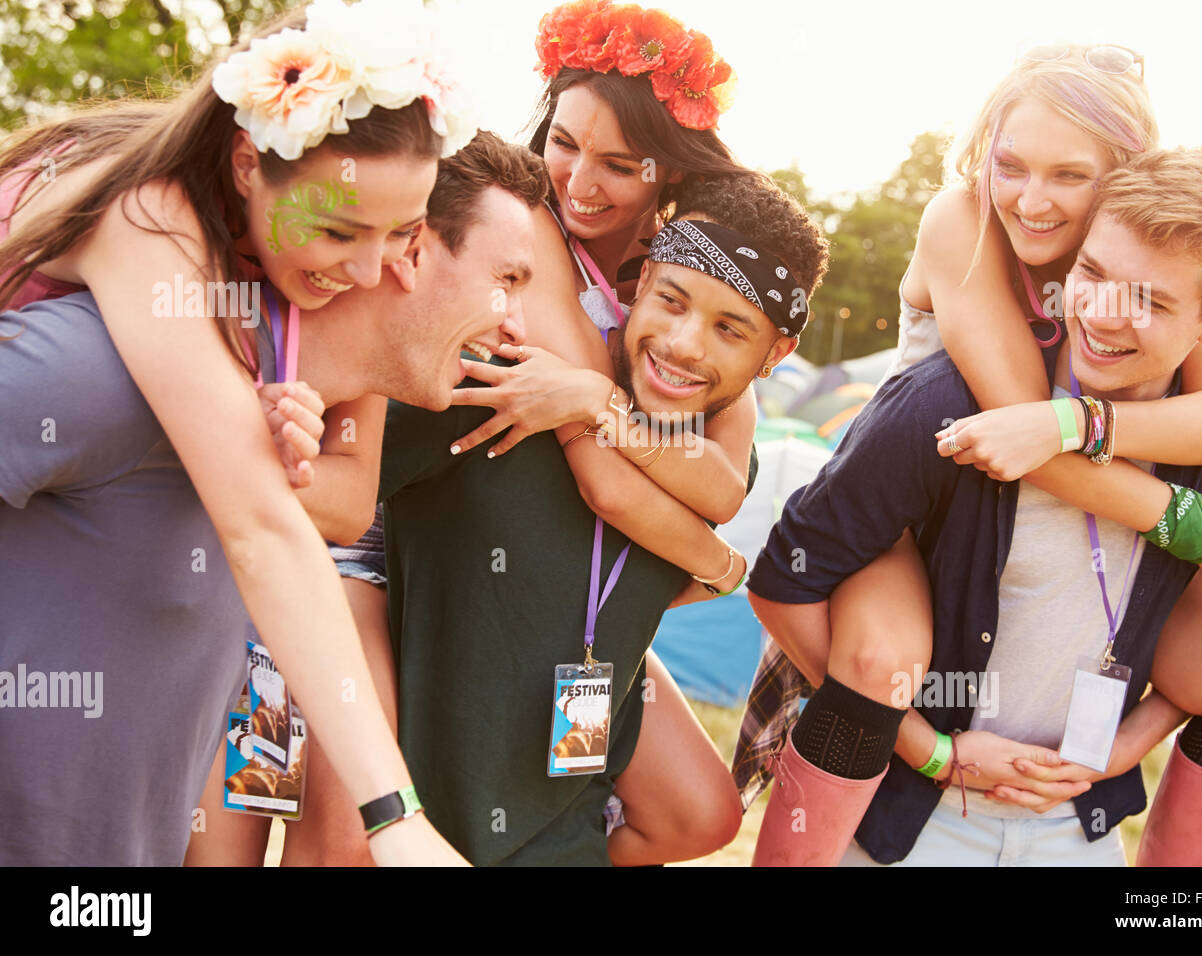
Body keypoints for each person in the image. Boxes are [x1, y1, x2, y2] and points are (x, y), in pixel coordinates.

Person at [733, 45, 1202, 865]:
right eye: (1012, 165)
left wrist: (1127, 742)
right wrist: (1185, 520)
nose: (1032, 198)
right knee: (881, 654)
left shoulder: (1169, 261)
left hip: (1043, 447)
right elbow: (1014, 428)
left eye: (1070, 175)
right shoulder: (964, 228)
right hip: (921, 503)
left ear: (1124, 183)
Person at [0, 0, 475, 864]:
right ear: (249, 163)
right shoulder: (152, 220)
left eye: (401, 234)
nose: (371, 270)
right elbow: (261, 531)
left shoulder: (241, 263)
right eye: (340, 230)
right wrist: (394, 815)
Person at [332, 0, 781, 865]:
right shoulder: (529, 224)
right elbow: (607, 473)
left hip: (565, 598)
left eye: (617, 162)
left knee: (699, 814)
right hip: (394, 546)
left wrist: (715, 557)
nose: (577, 177)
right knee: (349, 829)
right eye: (564, 141)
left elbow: (715, 473)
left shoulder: (679, 279)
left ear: (667, 172)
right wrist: (712, 559)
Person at [379, 170, 828, 865]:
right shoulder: (502, 386)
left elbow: (643, 588)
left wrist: (718, 569)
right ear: (641, 281)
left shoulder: (712, 465)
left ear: (777, 355)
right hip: (415, 824)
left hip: (568, 826)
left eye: (729, 329)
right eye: (672, 300)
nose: (684, 344)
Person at [180, 131, 550, 866]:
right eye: (505, 278)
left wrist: (267, 467)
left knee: (342, 831)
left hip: (294, 603)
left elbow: (348, 507)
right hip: (225, 599)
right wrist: (241, 451)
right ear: (413, 248)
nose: (518, 322)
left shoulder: (370, 360)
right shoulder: (207, 314)